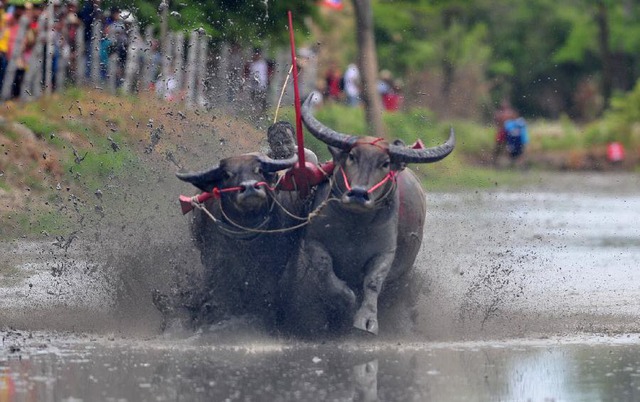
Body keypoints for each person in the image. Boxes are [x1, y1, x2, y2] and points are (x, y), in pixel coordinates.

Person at [492, 99, 518, 166]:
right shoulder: (498, 113)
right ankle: (495, 160)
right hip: (501, 131)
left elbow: (515, 121)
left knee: (510, 147)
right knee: (498, 146)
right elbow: (495, 122)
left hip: (509, 132)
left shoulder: (511, 113)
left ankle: (512, 162)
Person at [248, 47, 268, 114]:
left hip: (261, 85)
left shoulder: (262, 63)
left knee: (261, 100)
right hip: (253, 86)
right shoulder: (252, 63)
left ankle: (261, 113)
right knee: (254, 100)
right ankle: (255, 113)